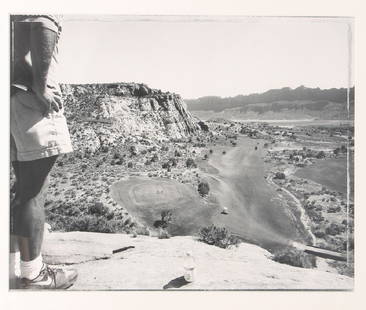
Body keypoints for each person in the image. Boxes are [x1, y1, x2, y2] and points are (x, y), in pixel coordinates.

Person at [10, 15, 77, 289]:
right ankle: (34, 274)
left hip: (13, 92)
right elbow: (43, 23)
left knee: (23, 187)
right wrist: (41, 87)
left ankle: (14, 266)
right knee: (33, 191)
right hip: (30, 97)